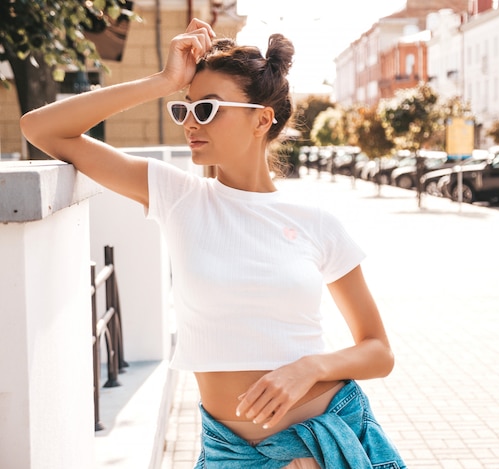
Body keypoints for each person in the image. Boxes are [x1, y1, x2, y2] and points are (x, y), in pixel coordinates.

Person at [20, 18, 406, 469]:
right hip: (230, 452)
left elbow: (378, 350)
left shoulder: (317, 223)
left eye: (208, 109)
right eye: (184, 109)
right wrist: (163, 81)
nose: (190, 123)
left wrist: (310, 368)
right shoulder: (178, 196)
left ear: (262, 119)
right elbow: (42, 129)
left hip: (326, 442)